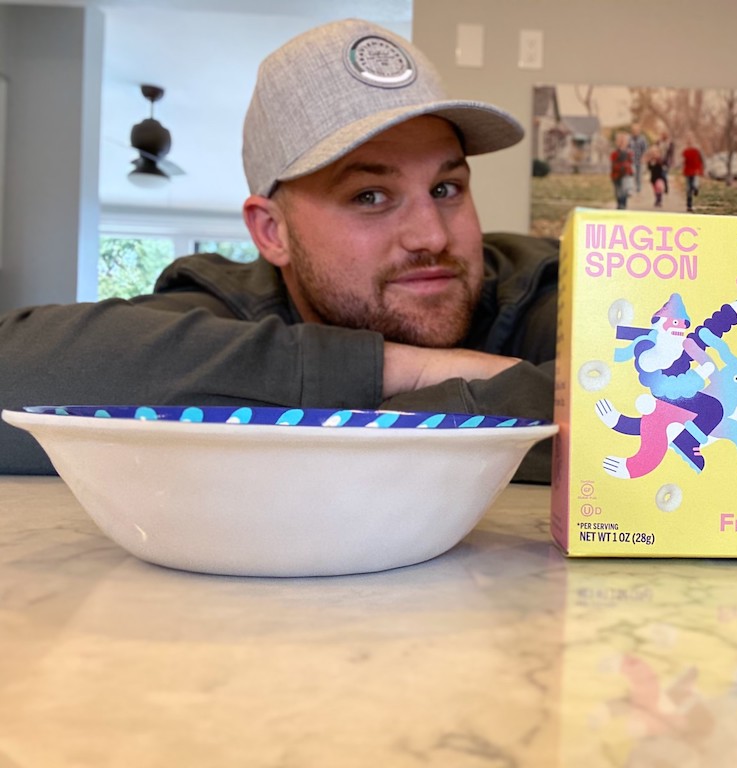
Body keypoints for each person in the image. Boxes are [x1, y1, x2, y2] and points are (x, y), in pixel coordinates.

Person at [0, 19, 558, 482]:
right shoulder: (225, 307)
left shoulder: (543, 285)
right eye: (370, 195)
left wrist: (271, 420)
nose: (432, 236)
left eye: (445, 189)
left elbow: (637, 408)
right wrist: (404, 372)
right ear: (272, 232)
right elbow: (18, 369)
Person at [610, 131, 634, 210]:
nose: (622, 143)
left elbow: (631, 162)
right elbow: (613, 162)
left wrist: (629, 170)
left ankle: (623, 204)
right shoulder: (615, 153)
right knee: (618, 191)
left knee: (624, 189)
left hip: (625, 173)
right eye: (620, 141)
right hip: (616, 175)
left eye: (624, 141)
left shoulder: (629, 153)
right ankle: (619, 203)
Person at [681, 136, 705, 213]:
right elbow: (683, 161)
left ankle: (696, 189)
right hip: (688, 171)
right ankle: (689, 205)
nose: (690, 144)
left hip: (695, 171)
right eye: (688, 142)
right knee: (688, 189)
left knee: (695, 184)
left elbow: (701, 160)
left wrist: (701, 169)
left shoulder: (697, 151)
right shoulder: (685, 152)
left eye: (691, 142)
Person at [627, 123, 648, 200]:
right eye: (634, 130)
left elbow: (645, 149)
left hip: (640, 160)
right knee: (633, 174)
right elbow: (627, 147)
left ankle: (639, 189)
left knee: (639, 176)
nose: (635, 131)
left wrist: (643, 158)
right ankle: (632, 189)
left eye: (636, 130)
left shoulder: (642, 139)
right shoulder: (629, 138)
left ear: (639, 131)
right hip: (632, 160)